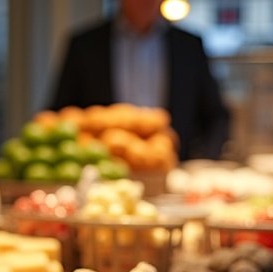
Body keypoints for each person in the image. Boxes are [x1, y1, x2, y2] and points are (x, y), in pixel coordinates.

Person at [50, 0, 231, 160]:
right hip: (102, 170)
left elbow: (216, 115)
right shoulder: (84, 44)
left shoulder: (189, 45)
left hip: (172, 171)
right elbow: (60, 112)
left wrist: (204, 160)